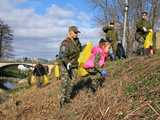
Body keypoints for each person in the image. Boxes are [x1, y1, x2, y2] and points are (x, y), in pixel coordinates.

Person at [59, 26, 82, 107]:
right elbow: (62, 55)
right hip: (65, 65)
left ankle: (68, 98)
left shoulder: (77, 41)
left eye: (77, 33)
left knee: (72, 82)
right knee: (64, 83)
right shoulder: (65, 43)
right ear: (70, 32)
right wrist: (67, 63)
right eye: (75, 33)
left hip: (74, 65)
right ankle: (62, 101)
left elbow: (80, 50)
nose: (76, 34)